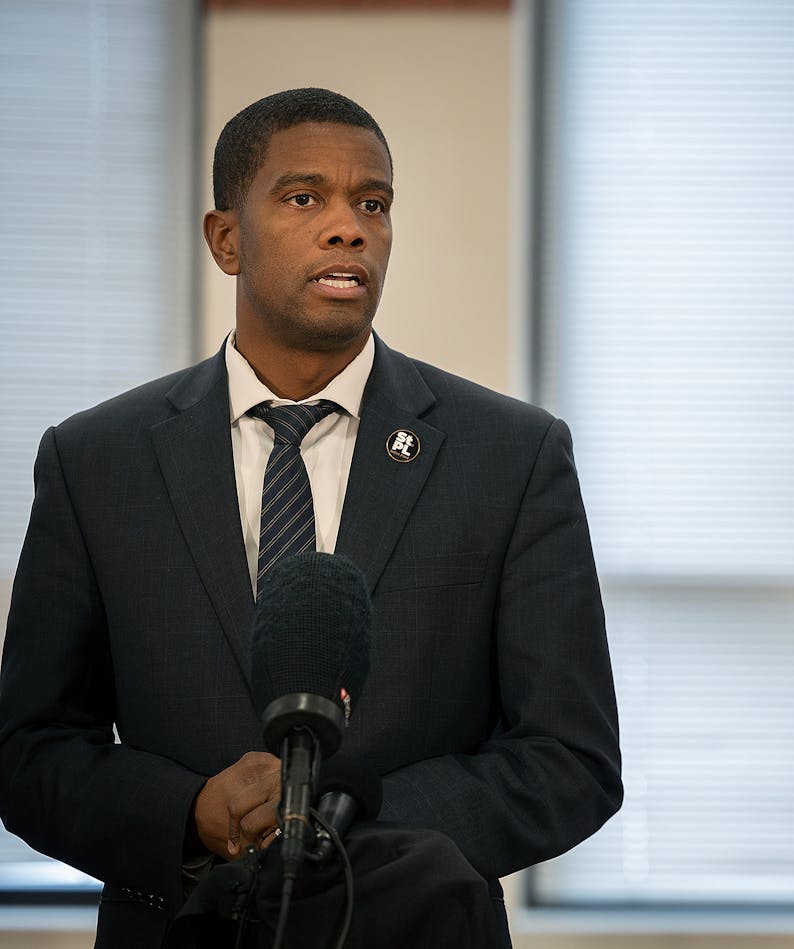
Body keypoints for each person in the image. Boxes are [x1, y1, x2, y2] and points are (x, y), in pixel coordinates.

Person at [0, 88, 621, 948]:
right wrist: (190, 813)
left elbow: (571, 759)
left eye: (373, 203)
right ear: (227, 239)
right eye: (305, 198)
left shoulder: (511, 455)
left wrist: (328, 826)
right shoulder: (95, 460)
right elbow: (30, 750)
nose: (349, 227)